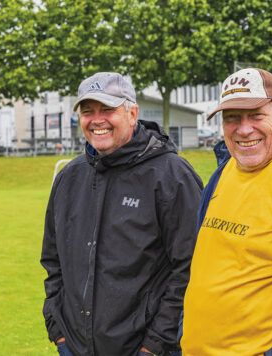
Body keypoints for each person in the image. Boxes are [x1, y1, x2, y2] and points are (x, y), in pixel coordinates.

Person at [41, 72, 203, 356]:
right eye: (88, 111)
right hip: (75, 347)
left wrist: (154, 345)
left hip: (147, 349)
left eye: (107, 109)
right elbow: (53, 261)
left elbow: (190, 269)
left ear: (132, 113)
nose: (97, 119)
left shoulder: (172, 176)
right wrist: (59, 332)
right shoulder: (69, 177)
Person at [179, 68, 272, 355]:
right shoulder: (223, 170)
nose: (244, 128)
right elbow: (202, 268)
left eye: (256, 116)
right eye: (232, 118)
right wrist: (183, 333)